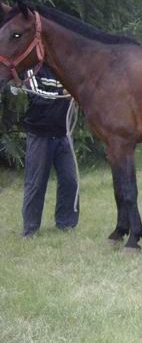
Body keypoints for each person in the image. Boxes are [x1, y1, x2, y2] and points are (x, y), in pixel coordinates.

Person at [20, 65, 79, 237]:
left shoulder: (63, 68)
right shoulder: (31, 69)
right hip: (40, 134)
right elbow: (38, 94)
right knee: (36, 182)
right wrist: (65, 93)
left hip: (63, 133)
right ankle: (30, 229)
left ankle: (66, 224)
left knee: (70, 180)